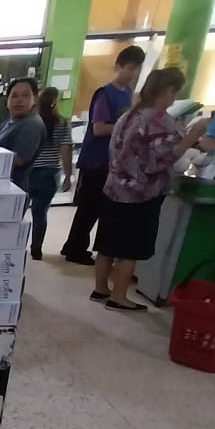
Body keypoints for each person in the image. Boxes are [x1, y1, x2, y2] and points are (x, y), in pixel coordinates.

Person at [91, 67, 213, 311]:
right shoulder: (159, 121)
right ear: (168, 91)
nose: (173, 98)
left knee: (107, 243)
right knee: (130, 249)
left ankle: (101, 288)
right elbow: (164, 158)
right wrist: (193, 135)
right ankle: (118, 297)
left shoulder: (128, 115)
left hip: (114, 188)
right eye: (174, 92)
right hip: (139, 194)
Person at [61, 45, 146, 265]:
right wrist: (128, 125)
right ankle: (75, 249)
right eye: (130, 68)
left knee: (100, 208)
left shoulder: (128, 94)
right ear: (118, 66)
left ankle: (73, 245)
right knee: (89, 208)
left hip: (114, 161)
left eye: (137, 69)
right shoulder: (105, 93)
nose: (133, 73)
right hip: (96, 160)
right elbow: (98, 128)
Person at [28, 87, 73, 260]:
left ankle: (14, 244)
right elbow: (65, 150)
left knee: (18, 212)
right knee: (40, 213)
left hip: (29, 171)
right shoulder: (62, 123)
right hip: (50, 172)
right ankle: (36, 249)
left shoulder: (32, 121)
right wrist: (68, 175)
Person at [0, 78, 45, 193]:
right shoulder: (10, 121)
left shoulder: (32, 124)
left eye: (25, 95)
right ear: (7, 101)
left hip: (11, 189)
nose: (19, 100)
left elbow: (19, 160)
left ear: (35, 99)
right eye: (14, 96)